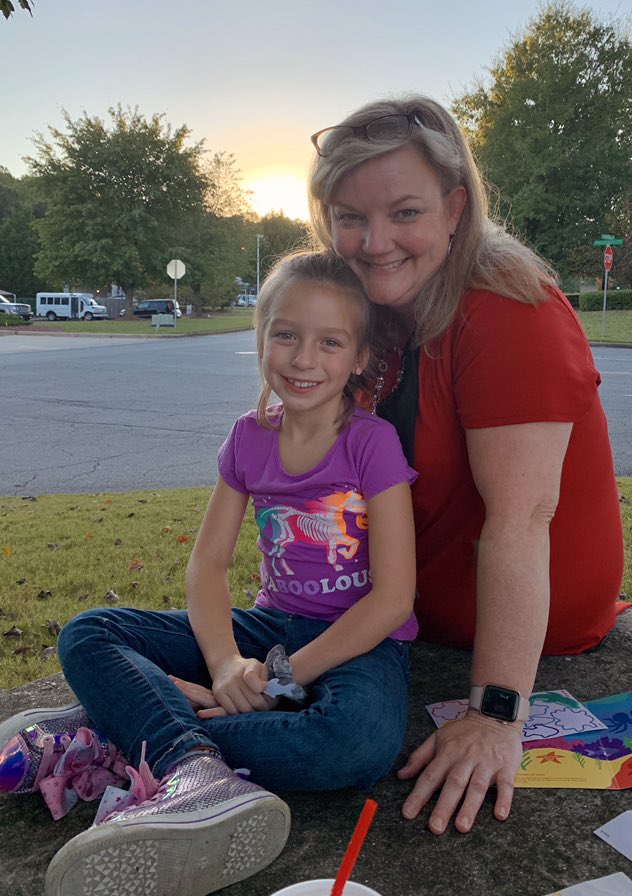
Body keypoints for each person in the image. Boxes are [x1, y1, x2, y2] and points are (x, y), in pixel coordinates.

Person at [0, 251, 418, 896]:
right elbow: (208, 564)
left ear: (360, 356)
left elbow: (392, 599)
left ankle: (121, 731)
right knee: (90, 632)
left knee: (355, 743)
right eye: (286, 335)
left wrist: (279, 680)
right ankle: (194, 769)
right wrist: (225, 666)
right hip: (267, 626)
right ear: (262, 338)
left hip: (359, 643)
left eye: (330, 342)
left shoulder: (371, 443)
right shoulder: (249, 437)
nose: (305, 359)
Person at [307, 96, 625, 836]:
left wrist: (496, 717)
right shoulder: (373, 309)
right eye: (350, 217)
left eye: (404, 213)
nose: (374, 241)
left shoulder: (508, 307)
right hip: (398, 604)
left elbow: (522, 519)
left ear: (455, 208)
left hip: (519, 621)